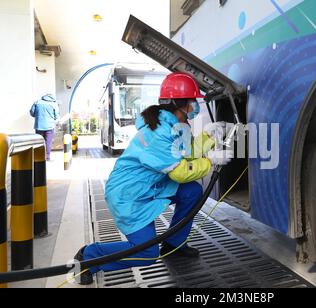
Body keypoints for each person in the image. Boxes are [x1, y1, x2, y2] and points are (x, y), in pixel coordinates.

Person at [74, 73, 233, 285]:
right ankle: (89, 256)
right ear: (180, 103)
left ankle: (174, 244)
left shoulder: (178, 124)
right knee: (147, 254)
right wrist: (211, 162)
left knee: (192, 191)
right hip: (129, 196)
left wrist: (209, 137)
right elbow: (180, 172)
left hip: (151, 187)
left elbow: (187, 153)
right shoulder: (159, 131)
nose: (195, 105)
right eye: (192, 100)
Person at [30, 94, 60, 161]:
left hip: (39, 126)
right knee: (48, 142)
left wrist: (38, 116)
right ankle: (47, 158)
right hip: (49, 127)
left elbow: (32, 113)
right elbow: (57, 116)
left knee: (39, 142)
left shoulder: (37, 102)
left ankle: (38, 157)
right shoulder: (54, 104)